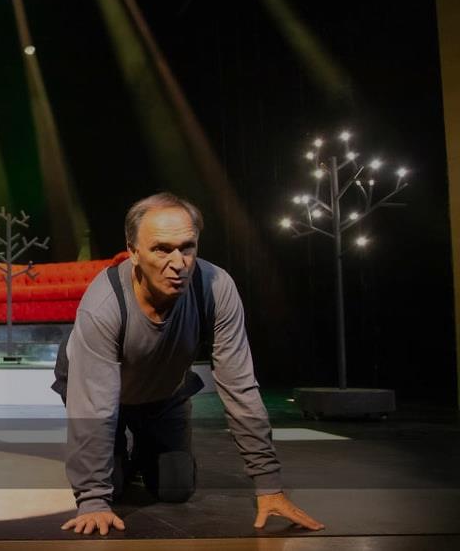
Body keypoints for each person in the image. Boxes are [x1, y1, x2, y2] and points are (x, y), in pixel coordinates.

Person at [56, 193, 323, 535]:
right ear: (133, 252)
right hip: (100, 389)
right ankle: (120, 455)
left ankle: (145, 449)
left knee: (176, 488)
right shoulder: (104, 305)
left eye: (187, 247)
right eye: (161, 249)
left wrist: (268, 485)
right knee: (112, 487)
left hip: (164, 391)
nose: (178, 263)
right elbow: (94, 407)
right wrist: (93, 499)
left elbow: (239, 386)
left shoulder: (215, 287)